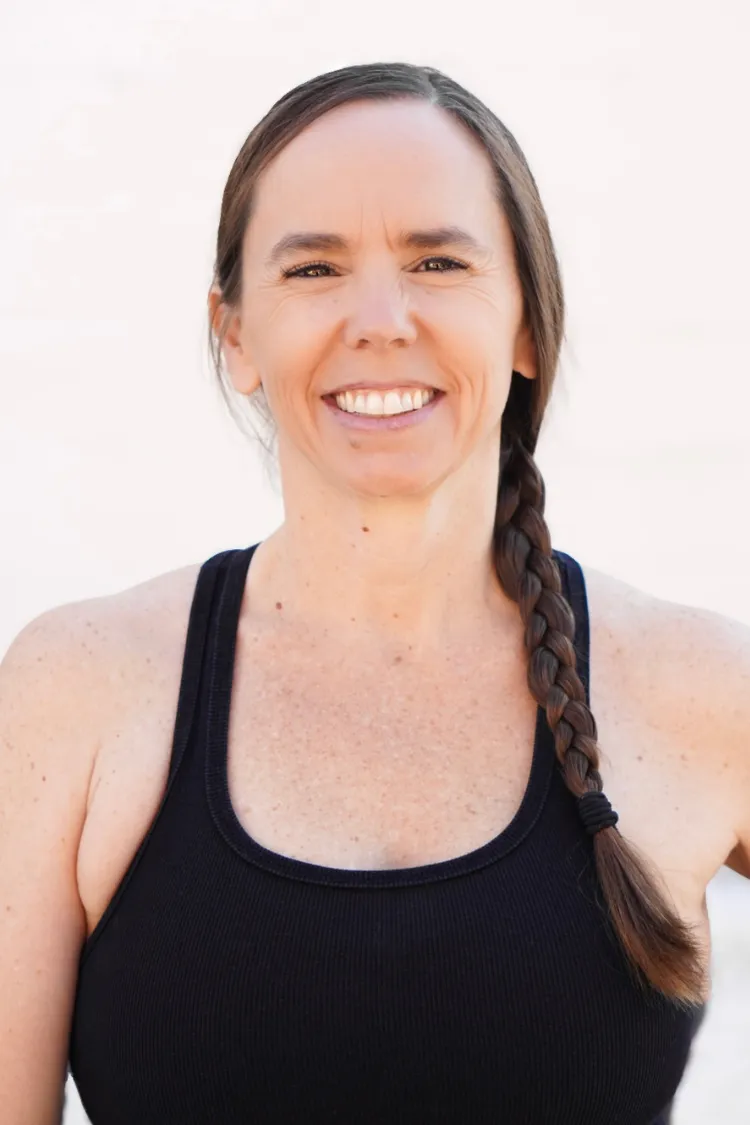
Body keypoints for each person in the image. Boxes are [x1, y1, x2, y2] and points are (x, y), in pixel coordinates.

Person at [1, 60, 747, 1125]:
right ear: (235, 334)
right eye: (314, 269)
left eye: (439, 262)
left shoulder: (701, 692)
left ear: (527, 322)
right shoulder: (75, 694)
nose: (382, 319)